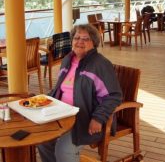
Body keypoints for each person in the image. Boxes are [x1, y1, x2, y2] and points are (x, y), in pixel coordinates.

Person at [37, 24, 122, 162]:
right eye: (76, 37)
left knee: (64, 151)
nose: (80, 41)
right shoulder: (67, 60)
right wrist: (43, 100)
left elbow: (114, 96)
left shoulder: (100, 64)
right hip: (61, 114)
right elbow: (60, 89)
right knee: (43, 142)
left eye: (85, 39)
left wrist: (98, 118)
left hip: (85, 119)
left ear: (94, 43)